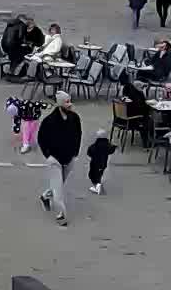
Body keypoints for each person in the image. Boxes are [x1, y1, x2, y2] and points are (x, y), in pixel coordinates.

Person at [37, 93, 83, 226]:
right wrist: (48, 155)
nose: (70, 104)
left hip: (69, 158)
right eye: (67, 102)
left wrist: (75, 152)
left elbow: (78, 135)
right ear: (60, 104)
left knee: (59, 183)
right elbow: (41, 139)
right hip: (54, 160)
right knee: (58, 191)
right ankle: (61, 215)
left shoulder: (74, 118)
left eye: (70, 101)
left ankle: (45, 196)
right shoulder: (49, 121)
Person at [85, 129, 116, 195]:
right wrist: (114, 147)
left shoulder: (94, 146)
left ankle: (97, 187)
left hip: (94, 163)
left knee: (92, 175)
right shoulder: (108, 145)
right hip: (103, 164)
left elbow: (89, 152)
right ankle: (98, 184)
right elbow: (111, 150)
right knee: (99, 174)